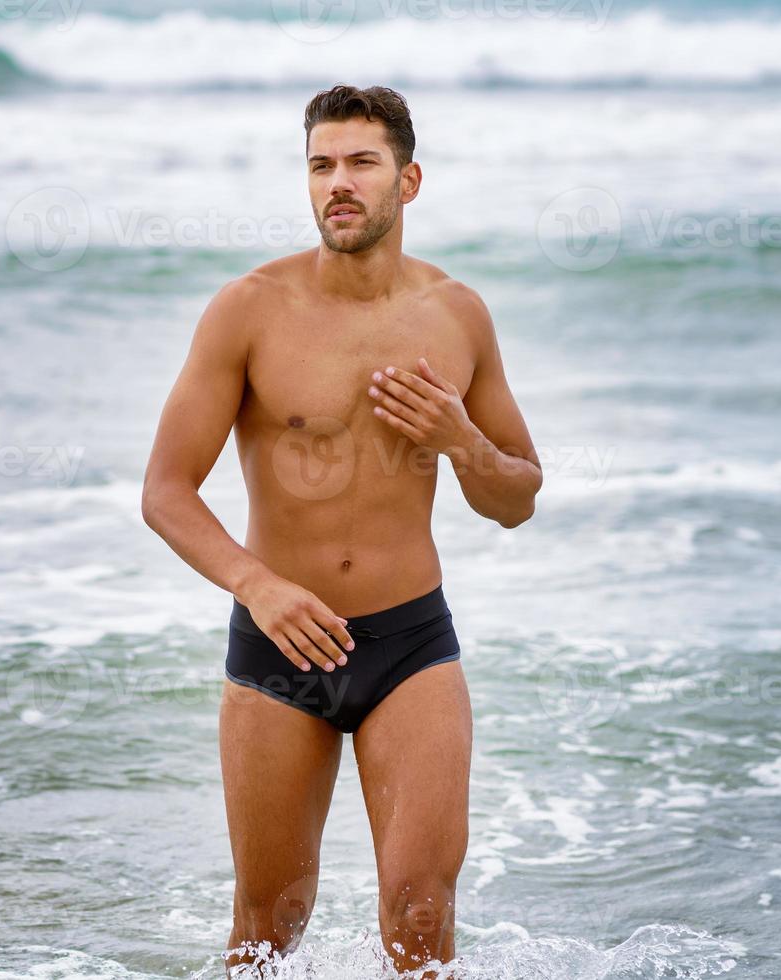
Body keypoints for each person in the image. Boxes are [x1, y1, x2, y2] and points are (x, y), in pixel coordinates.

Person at [140, 84, 542, 977]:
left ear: (410, 180)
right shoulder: (248, 310)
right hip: (282, 644)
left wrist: (459, 441)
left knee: (422, 913)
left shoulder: (457, 314)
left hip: (410, 642)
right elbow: (166, 491)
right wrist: (260, 585)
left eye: (362, 163)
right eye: (321, 165)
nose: (339, 184)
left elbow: (516, 496)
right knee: (265, 929)